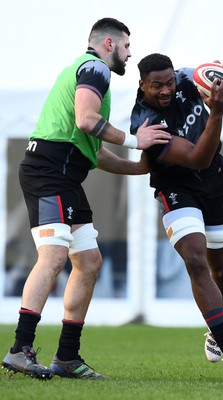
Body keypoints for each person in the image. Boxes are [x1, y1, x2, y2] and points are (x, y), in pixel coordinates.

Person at [1, 19, 171, 381]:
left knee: (90, 262)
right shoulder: (95, 67)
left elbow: (92, 153)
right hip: (48, 172)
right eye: (127, 46)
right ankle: (19, 349)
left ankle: (66, 358)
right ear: (109, 43)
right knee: (54, 256)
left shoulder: (91, 73)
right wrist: (134, 140)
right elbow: (85, 119)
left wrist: (138, 167)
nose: (130, 53)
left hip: (64, 176)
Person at [129, 53, 223, 380]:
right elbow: (196, 158)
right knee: (196, 260)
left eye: (169, 81)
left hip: (215, 182)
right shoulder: (145, 121)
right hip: (176, 188)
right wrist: (217, 112)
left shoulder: (189, 77)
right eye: (156, 85)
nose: (166, 89)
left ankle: (216, 330)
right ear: (142, 85)